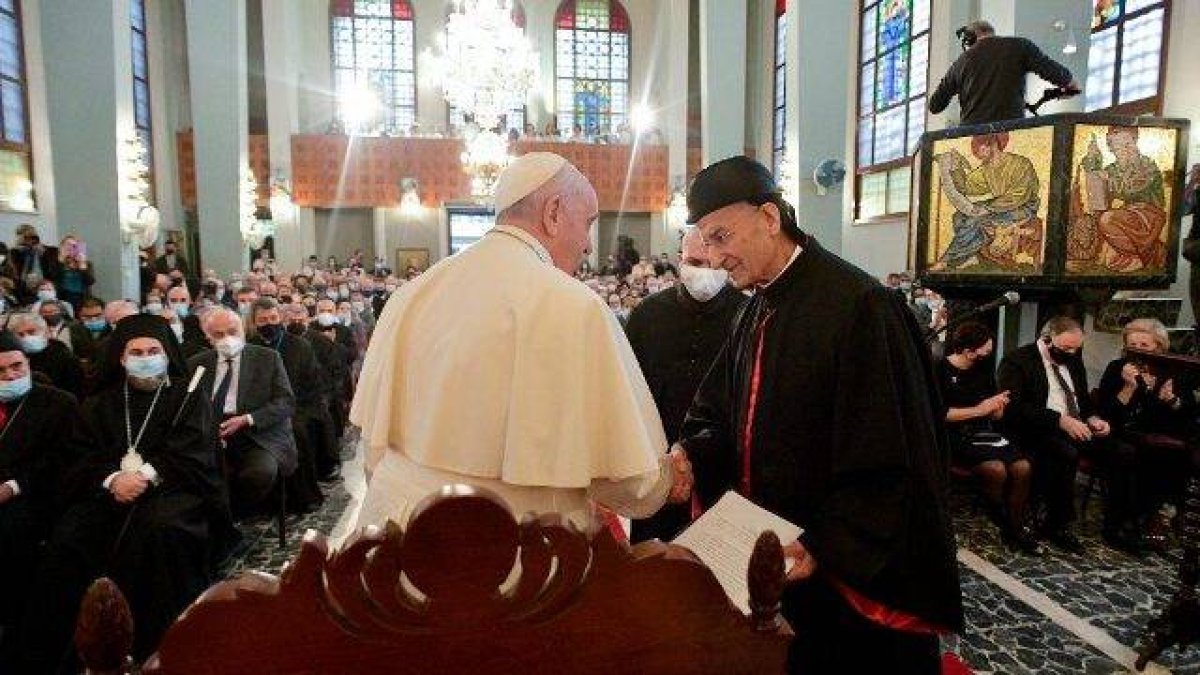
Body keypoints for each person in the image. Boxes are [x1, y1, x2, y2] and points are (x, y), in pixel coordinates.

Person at [676, 156, 961, 672]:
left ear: (769, 217)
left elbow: (895, 452)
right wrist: (690, 452)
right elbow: (715, 409)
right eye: (706, 242)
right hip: (771, 563)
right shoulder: (755, 308)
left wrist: (822, 544)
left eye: (721, 237)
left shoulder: (861, 306)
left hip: (835, 577)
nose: (714, 258)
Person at [351, 152, 691, 533]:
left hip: (398, 545)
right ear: (554, 212)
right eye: (588, 223)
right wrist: (664, 482)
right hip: (518, 559)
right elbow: (631, 482)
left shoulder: (411, 294)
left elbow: (375, 446)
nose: (588, 245)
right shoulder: (575, 307)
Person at [10, 315, 219, 670]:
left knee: (157, 532)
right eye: (136, 352)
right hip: (109, 492)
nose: (145, 357)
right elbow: (79, 456)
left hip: (173, 490)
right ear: (120, 359)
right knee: (69, 536)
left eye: (154, 350)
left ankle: (158, 644)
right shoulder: (98, 403)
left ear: (168, 354)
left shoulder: (188, 397)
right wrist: (112, 481)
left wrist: (145, 477)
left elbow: (192, 452)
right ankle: (71, 646)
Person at [625, 227, 745, 543]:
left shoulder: (747, 315)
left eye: (713, 264)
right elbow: (628, 397)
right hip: (656, 468)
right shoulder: (646, 316)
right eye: (695, 261)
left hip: (723, 474)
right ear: (680, 261)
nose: (704, 272)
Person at [997, 316, 1119, 553]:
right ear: (1047, 339)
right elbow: (1014, 407)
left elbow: (1082, 399)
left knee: (1120, 450)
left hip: (1075, 424)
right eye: (1066, 348)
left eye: (1076, 348)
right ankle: (1057, 524)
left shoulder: (1072, 360)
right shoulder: (1017, 361)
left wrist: (1093, 418)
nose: (1072, 353)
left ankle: (1117, 523)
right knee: (1065, 453)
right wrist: (1059, 420)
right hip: (1036, 429)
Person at [0, 334, 80, 643]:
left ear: (29, 364)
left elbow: (65, 461)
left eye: (17, 367)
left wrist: (13, 486)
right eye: (2, 371)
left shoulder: (58, 403)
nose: (10, 376)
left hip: (38, 494)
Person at [936, 322, 1039, 554]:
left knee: (1022, 467)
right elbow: (939, 414)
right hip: (953, 433)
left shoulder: (982, 369)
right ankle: (1003, 521)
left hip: (983, 431)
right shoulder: (939, 370)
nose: (988, 354)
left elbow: (995, 413)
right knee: (996, 470)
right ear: (967, 350)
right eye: (984, 350)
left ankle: (1015, 526)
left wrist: (998, 405)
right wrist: (979, 410)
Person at [1095, 318, 1195, 553]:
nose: (1138, 350)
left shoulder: (1173, 371)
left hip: (1157, 434)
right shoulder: (1116, 368)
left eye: (1144, 345)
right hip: (1120, 432)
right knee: (1130, 455)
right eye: (1133, 344)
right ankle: (1120, 526)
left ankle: (1155, 517)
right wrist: (1129, 387)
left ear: (1159, 347)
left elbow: (1186, 411)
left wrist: (1171, 400)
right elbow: (1107, 414)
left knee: (1175, 453)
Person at [191, 307, 297, 516]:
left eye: (232, 332)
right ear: (208, 338)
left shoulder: (268, 358)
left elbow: (286, 401)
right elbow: (189, 404)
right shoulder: (198, 364)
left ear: (243, 331)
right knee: (195, 475)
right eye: (219, 335)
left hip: (258, 434)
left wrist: (247, 419)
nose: (227, 339)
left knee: (259, 474)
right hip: (212, 434)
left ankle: (237, 514)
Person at [248, 297, 326, 509]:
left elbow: (313, 383)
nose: (269, 323)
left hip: (300, 406)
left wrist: (292, 409)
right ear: (254, 323)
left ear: (280, 318)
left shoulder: (299, 345)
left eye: (273, 318)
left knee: (296, 431)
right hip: (263, 408)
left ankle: (303, 496)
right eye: (263, 320)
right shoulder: (250, 347)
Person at [929, 20, 1079, 126]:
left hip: (971, 136)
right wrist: (1071, 84)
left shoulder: (960, 63)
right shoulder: (1020, 46)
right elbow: (1051, 70)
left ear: (969, 38)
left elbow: (935, 105)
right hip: (1010, 131)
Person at [931, 132, 1041, 271]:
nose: (977, 154)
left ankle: (948, 260)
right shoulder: (986, 168)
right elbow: (967, 186)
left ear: (992, 144)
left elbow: (1019, 195)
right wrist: (955, 167)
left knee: (976, 220)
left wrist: (988, 209)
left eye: (980, 149)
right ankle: (971, 254)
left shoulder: (1021, 163)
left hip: (1023, 207)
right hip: (1000, 206)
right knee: (959, 216)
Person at [1079, 126, 1168, 272]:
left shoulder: (1147, 165)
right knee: (1095, 221)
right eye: (1118, 146)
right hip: (1128, 214)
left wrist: (1108, 179)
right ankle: (1144, 252)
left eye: (1128, 144)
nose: (1125, 149)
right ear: (1112, 149)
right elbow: (1097, 180)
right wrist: (1092, 158)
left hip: (1149, 214)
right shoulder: (1113, 168)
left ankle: (1138, 256)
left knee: (1107, 219)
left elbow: (1132, 187)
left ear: (1135, 142)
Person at [9, 312, 84, 398]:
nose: (26, 337)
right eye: (20, 335)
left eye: (31, 332)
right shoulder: (10, 359)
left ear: (46, 332)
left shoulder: (65, 357)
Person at [56, 234, 95, 311]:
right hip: (62, 298)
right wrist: (61, 260)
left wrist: (82, 265)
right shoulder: (56, 263)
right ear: (62, 247)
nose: (70, 248)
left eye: (74, 246)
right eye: (67, 245)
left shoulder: (86, 263)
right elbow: (53, 277)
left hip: (81, 298)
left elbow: (90, 282)